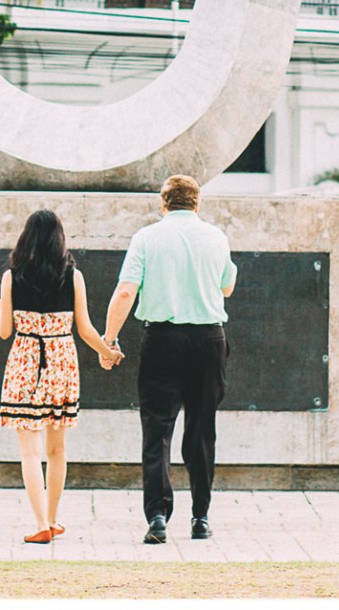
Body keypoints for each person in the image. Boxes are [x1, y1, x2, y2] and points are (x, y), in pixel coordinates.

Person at [99, 174, 237, 544]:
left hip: (162, 339)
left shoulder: (146, 238)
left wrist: (108, 340)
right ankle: (201, 517)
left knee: (157, 430)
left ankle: (158, 517)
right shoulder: (217, 237)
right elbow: (227, 286)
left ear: (164, 203)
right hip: (209, 339)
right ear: (197, 203)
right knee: (202, 430)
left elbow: (126, 291)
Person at [0, 209, 122, 544]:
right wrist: (108, 352)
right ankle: (55, 518)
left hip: (25, 361)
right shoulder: (73, 276)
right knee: (57, 449)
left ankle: (41, 523)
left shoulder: (11, 277)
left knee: (29, 451)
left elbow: (5, 331)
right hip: (61, 359)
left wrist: (2, 308)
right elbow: (86, 329)